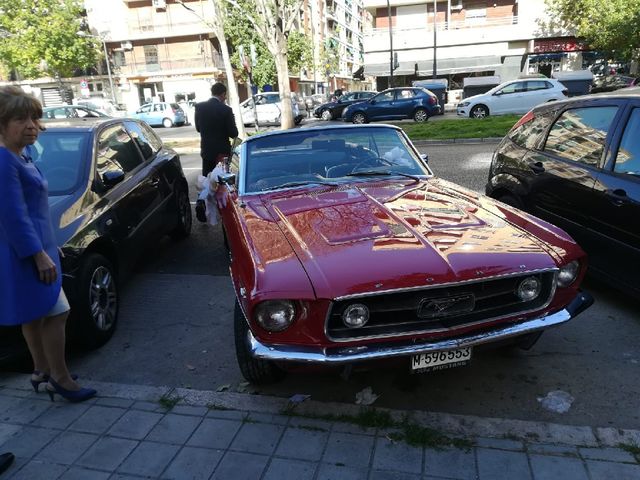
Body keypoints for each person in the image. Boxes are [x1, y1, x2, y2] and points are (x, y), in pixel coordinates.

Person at [0, 86, 96, 403]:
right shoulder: (4, 161)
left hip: (34, 249)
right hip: (26, 254)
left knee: (35, 315)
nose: (31, 125)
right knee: (58, 313)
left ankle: (41, 370)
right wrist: (39, 255)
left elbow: (32, 212)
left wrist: (48, 247)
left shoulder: (19, 155)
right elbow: (13, 216)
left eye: (34, 117)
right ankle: (61, 378)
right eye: (20, 118)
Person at [194, 82, 238, 222]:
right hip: (222, 153)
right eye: (225, 96)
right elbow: (233, 133)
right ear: (223, 94)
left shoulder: (199, 107)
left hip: (207, 151)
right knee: (224, 183)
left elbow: (198, 129)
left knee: (207, 180)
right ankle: (224, 211)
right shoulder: (226, 110)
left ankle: (201, 201)